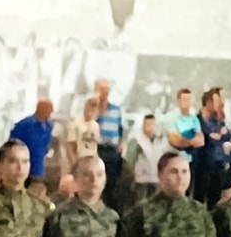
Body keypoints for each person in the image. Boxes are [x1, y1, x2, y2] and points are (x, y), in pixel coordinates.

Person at [195, 88, 231, 208]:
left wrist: (220, 135)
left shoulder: (216, 120)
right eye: (216, 101)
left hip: (218, 165)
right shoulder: (197, 120)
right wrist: (217, 135)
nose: (219, 104)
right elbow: (206, 139)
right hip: (203, 165)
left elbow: (227, 135)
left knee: (215, 200)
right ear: (208, 102)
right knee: (199, 198)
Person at [92, 78, 126, 210]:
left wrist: (121, 143)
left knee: (112, 184)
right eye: (102, 89)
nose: (105, 92)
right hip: (97, 150)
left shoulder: (116, 109)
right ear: (96, 90)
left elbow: (121, 129)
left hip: (112, 151)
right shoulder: (91, 110)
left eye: (107, 89)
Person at [9, 98, 56, 189]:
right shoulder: (24, 125)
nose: (50, 112)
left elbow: (46, 145)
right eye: (48, 108)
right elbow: (12, 145)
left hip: (38, 169)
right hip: (21, 168)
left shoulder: (49, 126)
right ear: (40, 108)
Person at [123, 114, 167, 206]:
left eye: (152, 124)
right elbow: (129, 160)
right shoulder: (136, 140)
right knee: (140, 205)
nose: (149, 127)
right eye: (147, 124)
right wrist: (131, 177)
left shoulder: (161, 140)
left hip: (157, 179)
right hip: (141, 180)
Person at [66, 98, 102, 165]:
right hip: (80, 159)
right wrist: (74, 164)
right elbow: (70, 147)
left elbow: (95, 146)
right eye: (89, 109)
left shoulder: (96, 126)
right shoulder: (75, 124)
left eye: (94, 110)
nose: (90, 112)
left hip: (92, 161)